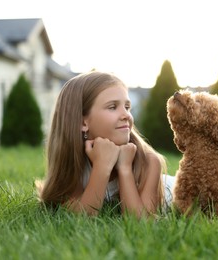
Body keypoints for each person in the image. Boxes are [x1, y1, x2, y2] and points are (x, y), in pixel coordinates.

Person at [35, 71, 175, 217]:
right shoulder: (73, 164)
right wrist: (102, 165)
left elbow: (141, 223)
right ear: (83, 122)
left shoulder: (149, 161)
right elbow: (82, 217)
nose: (126, 115)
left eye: (127, 107)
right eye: (112, 107)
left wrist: (125, 167)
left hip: (190, 193)